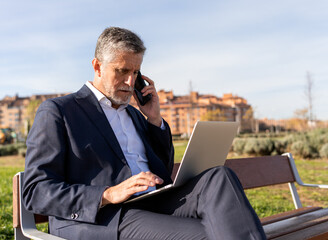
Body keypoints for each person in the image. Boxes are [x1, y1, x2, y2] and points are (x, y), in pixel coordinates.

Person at [23, 27, 266, 240]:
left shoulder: (136, 115)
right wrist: (108, 194)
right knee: (211, 233)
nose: (130, 82)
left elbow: (163, 168)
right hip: (105, 217)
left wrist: (154, 119)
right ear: (97, 66)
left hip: (153, 202)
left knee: (219, 177)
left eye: (136, 72)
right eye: (122, 71)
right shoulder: (59, 112)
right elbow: (35, 190)